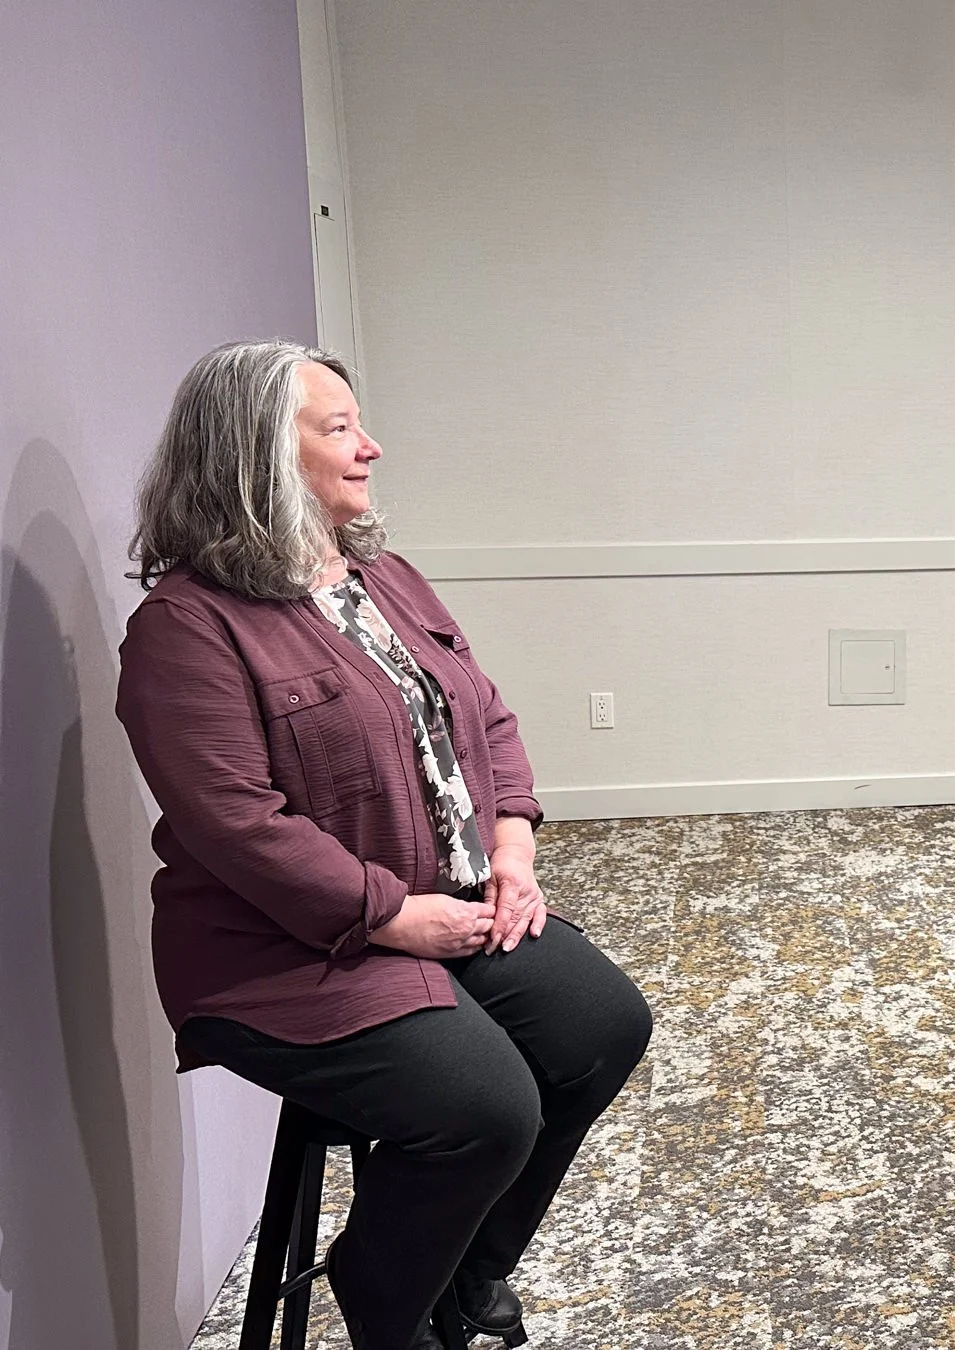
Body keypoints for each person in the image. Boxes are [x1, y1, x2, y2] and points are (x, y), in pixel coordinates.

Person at [115, 341, 653, 1350]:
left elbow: (485, 717)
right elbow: (236, 823)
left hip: (441, 903)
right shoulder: (186, 627)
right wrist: (391, 916)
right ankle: (385, 1300)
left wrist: (511, 849)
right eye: (340, 429)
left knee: (601, 1028)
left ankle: (466, 1267)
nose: (372, 447)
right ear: (259, 455)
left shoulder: (384, 579)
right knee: (487, 1107)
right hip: (281, 953)